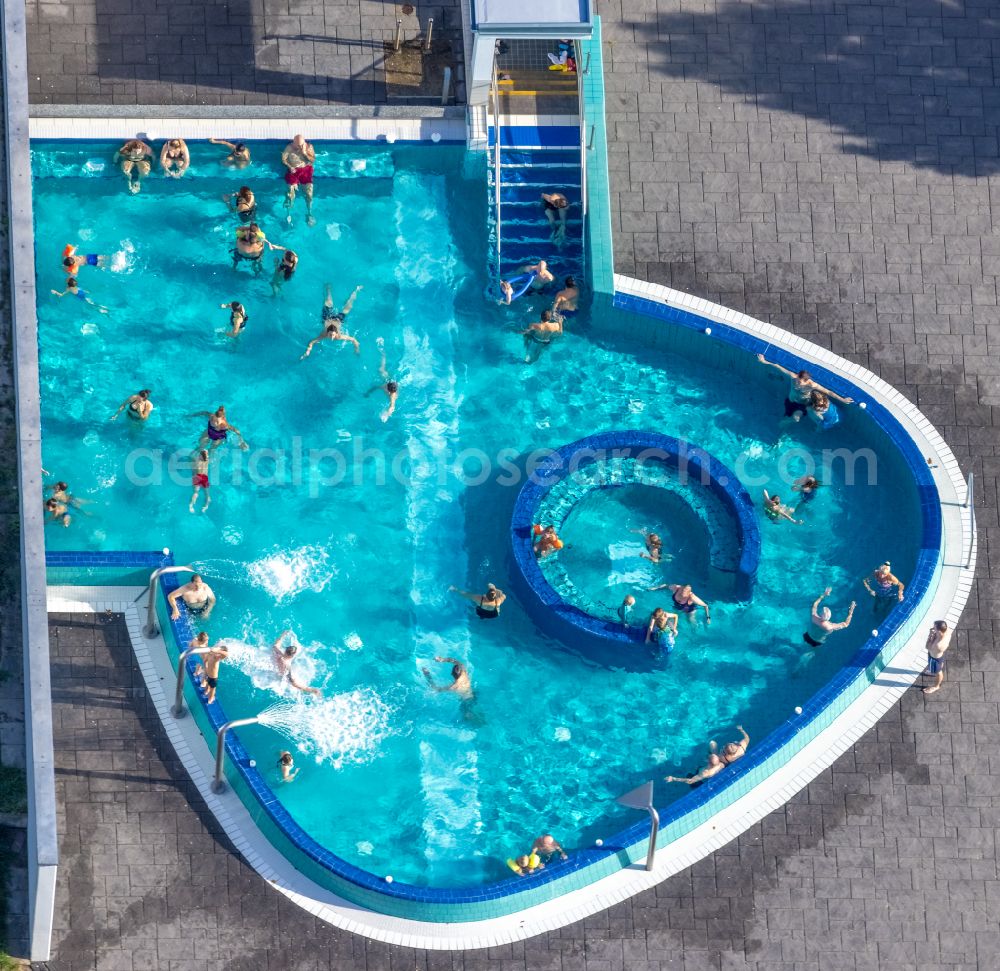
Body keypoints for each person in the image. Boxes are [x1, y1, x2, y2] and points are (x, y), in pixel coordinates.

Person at [756, 354, 854, 420]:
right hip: (790, 400)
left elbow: (828, 392)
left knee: (795, 419)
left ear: (806, 381)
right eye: (797, 379)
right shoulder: (793, 376)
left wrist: (843, 399)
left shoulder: (812, 385)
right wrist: (764, 361)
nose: (797, 383)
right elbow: (778, 366)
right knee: (786, 416)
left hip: (803, 404)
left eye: (800, 382)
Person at [301, 284, 362, 357]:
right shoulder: (324, 335)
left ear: (336, 333)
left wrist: (356, 348)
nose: (332, 337)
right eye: (330, 335)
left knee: (349, 305)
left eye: (332, 335)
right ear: (327, 333)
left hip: (330, 318)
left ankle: (356, 290)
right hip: (332, 319)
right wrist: (308, 351)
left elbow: (353, 340)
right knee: (328, 301)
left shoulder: (339, 336)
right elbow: (312, 342)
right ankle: (328, 289)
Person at [271, 629, 322, 695]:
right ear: (292, 656)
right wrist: (308, 689)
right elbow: (291, 681)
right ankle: (313, 691)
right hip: (281, 677)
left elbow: (275, 645)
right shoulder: (287, 665)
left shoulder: (278, 653)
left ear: (285, 651)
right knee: (294, 683)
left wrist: (282, 635)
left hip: (276, 669)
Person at [281, 134, 316, 226]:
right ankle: (288, 214)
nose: (300, 147)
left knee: (309, 193)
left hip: (306, 170)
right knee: (290, 193)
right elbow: (283, 160)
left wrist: (304, 153)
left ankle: (309, 212)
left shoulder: (309, 147)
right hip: (293, 171)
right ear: (294, 143)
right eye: (298, 145)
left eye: (301, 144)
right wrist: (290, 167)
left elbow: (312, 161)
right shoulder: (289, 148)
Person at [364, 339, 398, 421]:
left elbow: (392, 406)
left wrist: (386, 415)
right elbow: (376, 387)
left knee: (381, 370)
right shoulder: (385, 386)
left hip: (392, 384)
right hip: (391, 382)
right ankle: (382, 352)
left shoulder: (392, 396)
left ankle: (382, 351)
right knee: (381, 370)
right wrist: (368, 392)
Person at [192, 640, 229, 704]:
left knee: (212, 690)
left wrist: (218, 650)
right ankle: (207, 692)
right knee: (207, 688)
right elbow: (205, 660)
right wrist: (205, 667)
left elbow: (226, 654)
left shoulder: (216, 658)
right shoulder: (211, 654)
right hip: (208, 675)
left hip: (213, 678)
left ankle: (211, 698)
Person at [922, 620, 953, 695]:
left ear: (939, 630)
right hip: (939, 655)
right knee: (939, 664)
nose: (933, 628)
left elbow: (927, 646)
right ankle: (933, 670)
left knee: (939, 672)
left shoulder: (938, 645)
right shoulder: (947, 631)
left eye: (934, 627)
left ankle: (936, 686)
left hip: (934, 658)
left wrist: (930, 635)